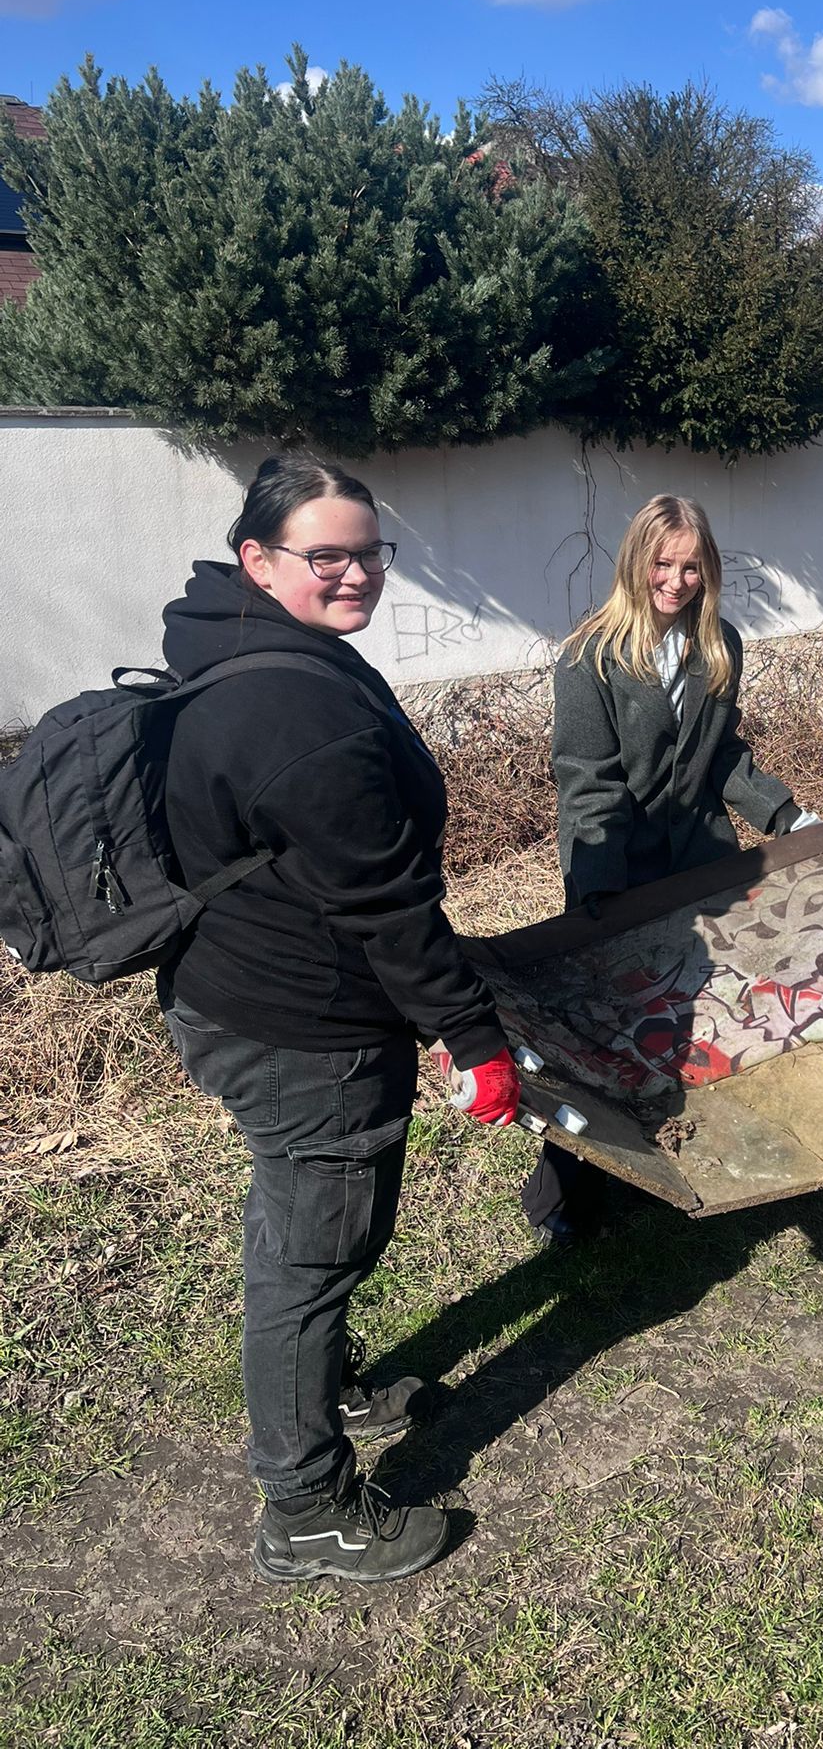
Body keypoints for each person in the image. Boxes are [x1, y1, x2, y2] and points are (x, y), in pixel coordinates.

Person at [158, 453, 527, 1583]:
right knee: (312, 1254)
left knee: (307, 1232)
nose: (357, 573)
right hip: (302, 1022)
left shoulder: (237, 637)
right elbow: (384, 902)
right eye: (328, 555)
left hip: (245, 992)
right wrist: (474, 1038)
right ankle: (307, 1506)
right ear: (258, 558)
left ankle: (330, 1387)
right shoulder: (290, 702)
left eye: (370, 552)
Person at [523, 494, 817, 1241]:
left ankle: (686, 1157)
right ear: (636, 562)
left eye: (691, 567)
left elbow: (721, 755)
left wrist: (785, 814)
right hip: (616, 871)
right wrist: (598, 890)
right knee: (604, 1036)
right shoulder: (590, 657)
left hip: (702, 866)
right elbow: (588, 781)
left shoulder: (719, 645)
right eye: (663, 564)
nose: (677, 582)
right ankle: (563, 1195)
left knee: (700, 1016)